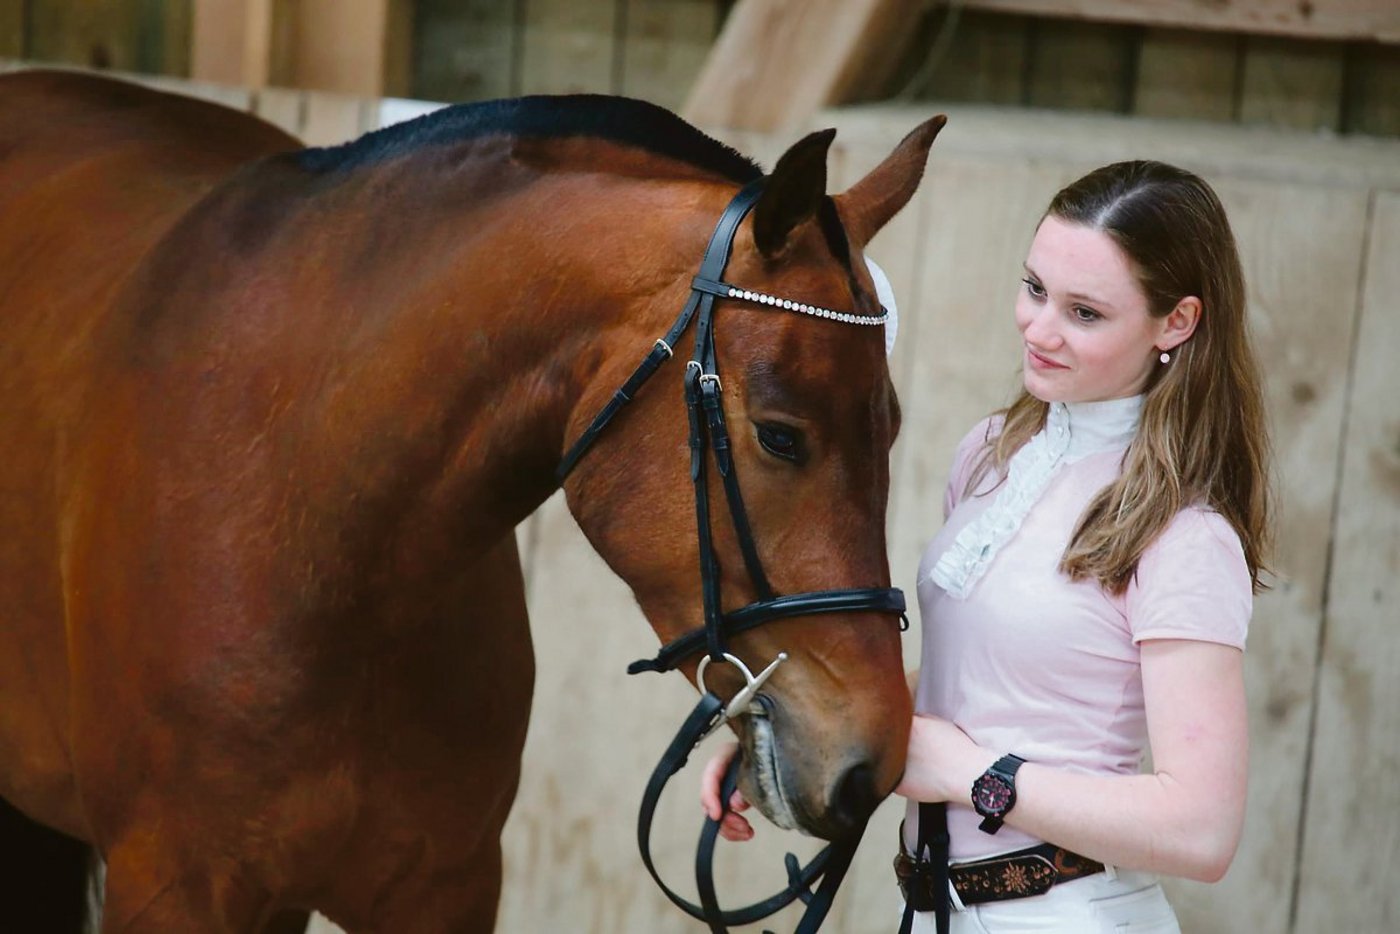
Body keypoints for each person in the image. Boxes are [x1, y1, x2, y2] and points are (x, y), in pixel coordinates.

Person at [701, 160, 1273, 933]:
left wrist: (977, 778)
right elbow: (972, 686)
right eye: (1035, 289)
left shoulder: (1185, 535)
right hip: (935, 909)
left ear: (1176, 323)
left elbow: (1200, 829)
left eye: (1086, 313)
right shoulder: (990, 453)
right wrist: (798, 730)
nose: (1039, 329)